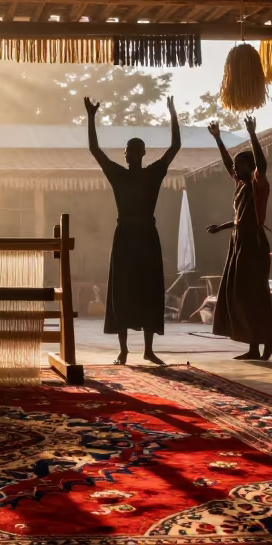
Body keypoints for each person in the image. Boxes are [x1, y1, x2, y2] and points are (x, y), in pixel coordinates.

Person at [86, 95, 181, 366]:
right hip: (127, 235)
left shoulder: (150, 173)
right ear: (127, 155)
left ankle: (146, 350)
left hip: (142, 236)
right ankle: (125, 350)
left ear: (139, 154)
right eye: (130, 149)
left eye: (135, 149)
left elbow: (175, 145)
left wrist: (173, 114)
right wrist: (92, 117)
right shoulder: (123, 175)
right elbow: (94, 149)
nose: (131, 153)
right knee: (124, 290)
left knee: (147, 289)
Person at [207, 115, 272, 360]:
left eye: (239, 165)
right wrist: (218, 140)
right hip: (238, 243)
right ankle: (254, 346)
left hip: (253, 244)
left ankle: (268, 340)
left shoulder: (258, 183)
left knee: (253, 294)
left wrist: (253, 134)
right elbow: (228, 166)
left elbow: (261, 163)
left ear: (250, 167)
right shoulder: (240, 186)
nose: (234, 169)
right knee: (239, 295)